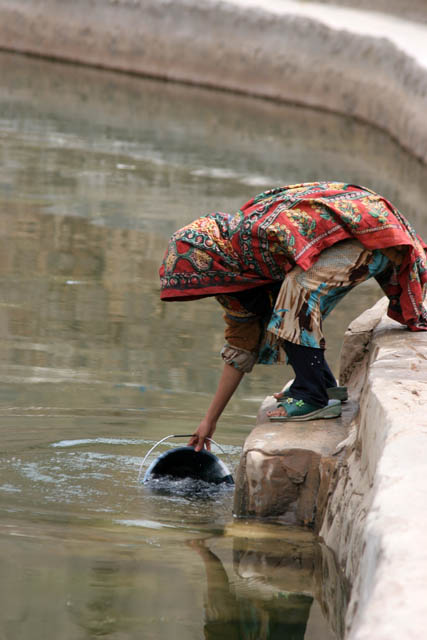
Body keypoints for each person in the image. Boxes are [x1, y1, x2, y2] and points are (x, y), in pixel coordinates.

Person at [159, 182, 427, 451]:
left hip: (370, 235)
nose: (210, 288)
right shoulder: (238, 275)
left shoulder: (255, 237)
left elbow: (310, 250)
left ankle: (312, 395)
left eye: (205, 281)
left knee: (296, 293)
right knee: (288, 301)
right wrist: (209, 421)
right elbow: (241, 347)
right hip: (356, 237)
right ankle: (322, 385)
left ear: (213, 263)